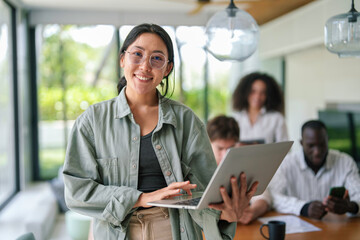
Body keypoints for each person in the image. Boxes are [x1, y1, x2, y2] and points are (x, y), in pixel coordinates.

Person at [63, 23, 258, 240]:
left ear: (167, 69)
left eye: (156, 58)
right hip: (116, 233)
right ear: (122, 60)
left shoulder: (187, 121)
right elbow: (77, 192)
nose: (145, 66)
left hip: (174, 230)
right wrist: (141, 198)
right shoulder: (92, 122)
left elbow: (205, 194)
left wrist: (227, 213)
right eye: (137, 54)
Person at [269, 120, 360, 219]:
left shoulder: (345, 162)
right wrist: (304, 208)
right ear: (301, 143)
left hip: (335, 228)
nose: (317, 151)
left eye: (321, 145)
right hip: (298, 229)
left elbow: (358, 194)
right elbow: (274, 197)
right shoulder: (286, 164)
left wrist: (350, 206)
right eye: (311, 146)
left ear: (327, 140)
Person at [206, 115, 271, 224]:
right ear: (208, 143)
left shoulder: (243, 164)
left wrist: (253, 212)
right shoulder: (199, 168)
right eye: (220, 148)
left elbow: (265, 197)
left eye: (230, 148)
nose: (225, 155)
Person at [232, 72, 288, 144]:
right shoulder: (235, 118)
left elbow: (283, 148)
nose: (257, 97)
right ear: (245, 92)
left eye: (263, 92)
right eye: (253, 91)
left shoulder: (276, 119)